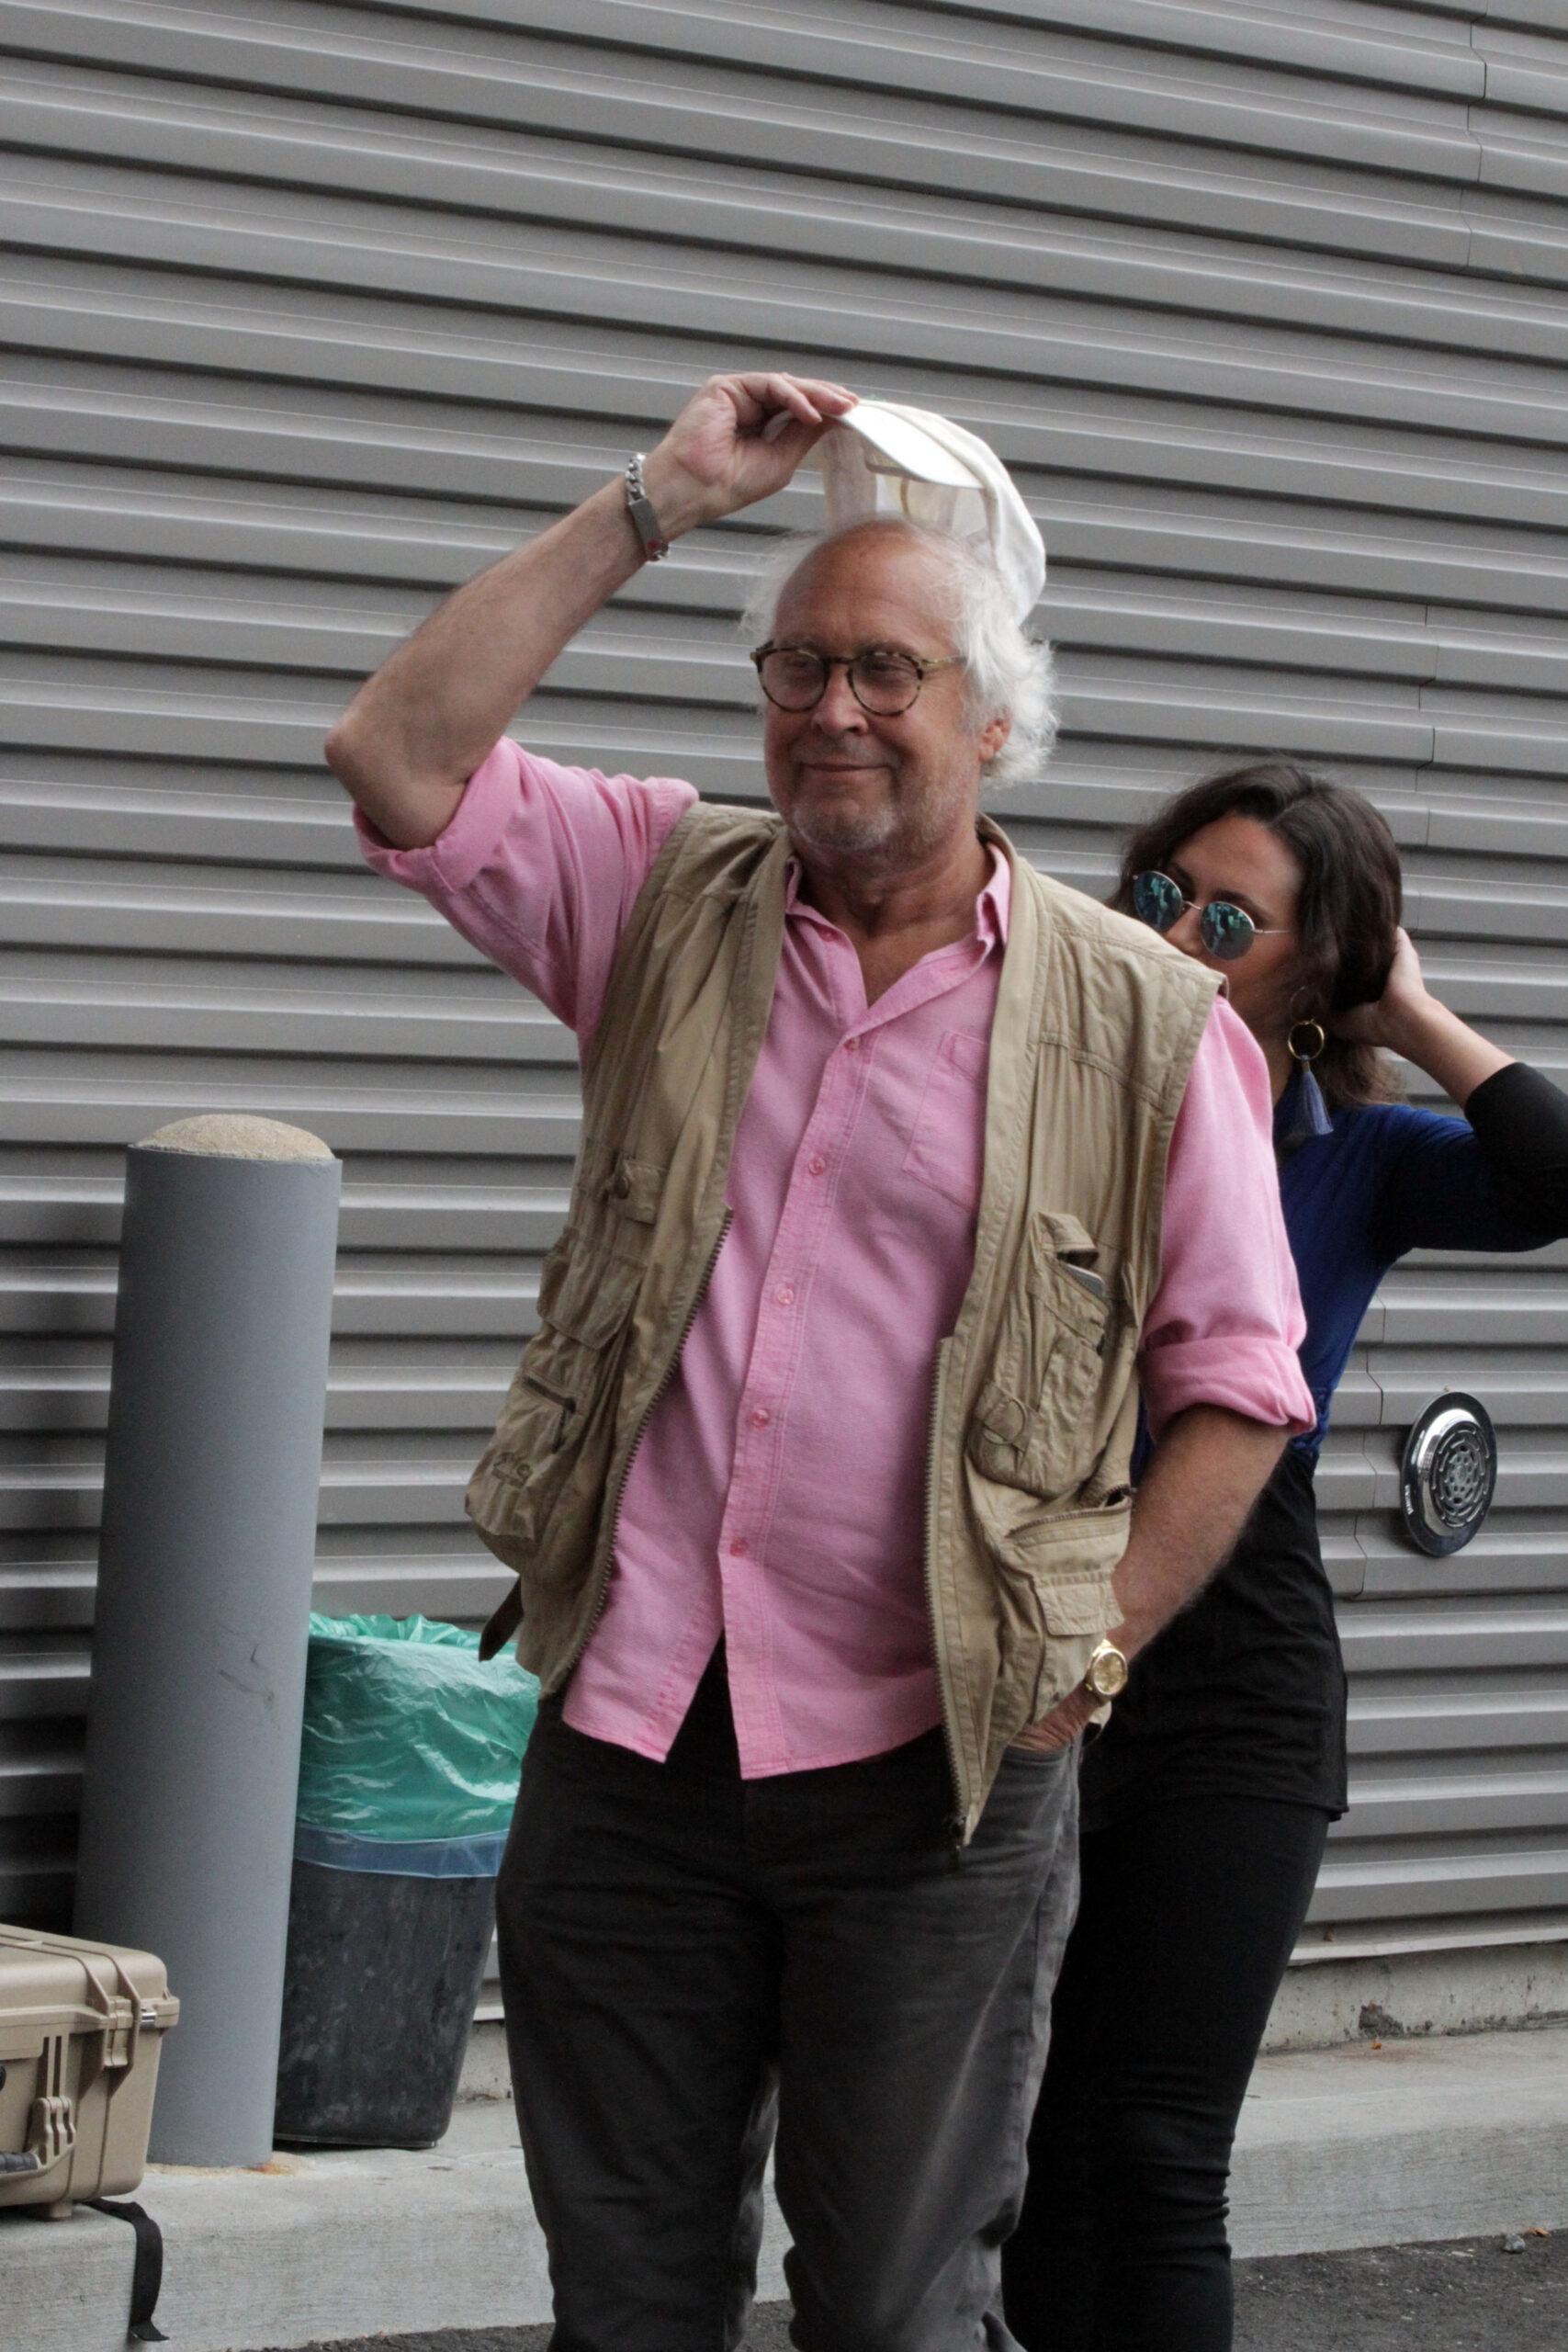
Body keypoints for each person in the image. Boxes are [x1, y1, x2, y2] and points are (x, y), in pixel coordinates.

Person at [324, 369, 1314, 2352]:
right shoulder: (656, 891)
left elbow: (1238, 1380)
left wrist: (1090, 1649)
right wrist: (657, 499)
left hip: (938, 1763)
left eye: (885, 670)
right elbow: (397, 754)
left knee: (890, 2306)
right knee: (627, 2300)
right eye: (797, 666)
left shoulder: (1146, 1022)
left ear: (994, 720)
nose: (831, 709)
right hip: (631, 1735)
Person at [1002, 757, 1568, 2352]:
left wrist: (1411, 1008)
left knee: (1157, 2149)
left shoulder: (1354, 1155)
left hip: (1236, 1667)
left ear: (1319, 974)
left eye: (1232, 920)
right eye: (1161, 894)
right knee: (1029, 2148)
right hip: (1025, 1619)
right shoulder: (1032, 1087)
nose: (1178, 934)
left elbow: (1553, 1172)